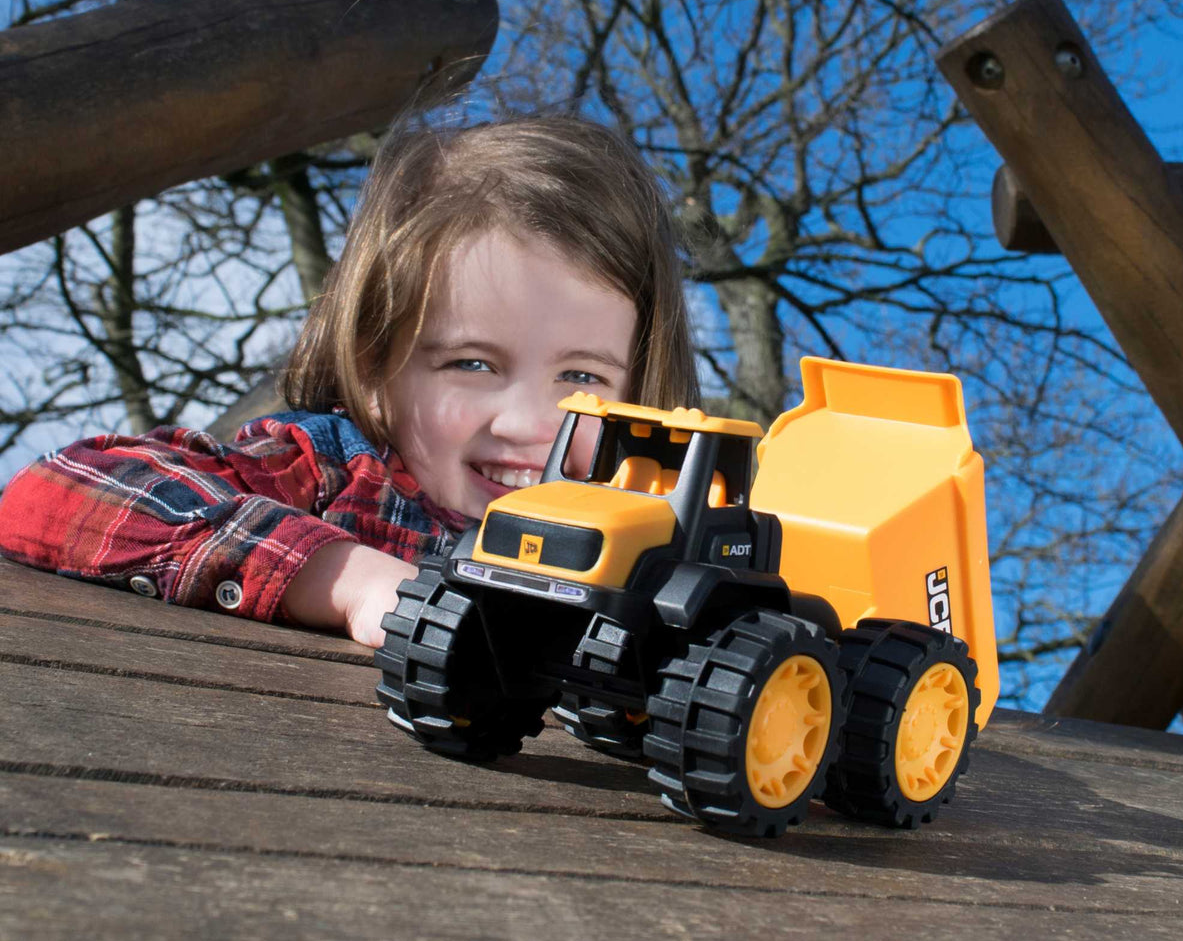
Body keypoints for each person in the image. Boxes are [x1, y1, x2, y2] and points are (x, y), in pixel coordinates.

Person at [0, 116, 698, 647]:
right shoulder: (333, 473)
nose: (527, 422)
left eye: (580, 376)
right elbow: (55, 491)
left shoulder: (649, 540)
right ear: (373, 370)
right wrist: (345, 580)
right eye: (473, 364)